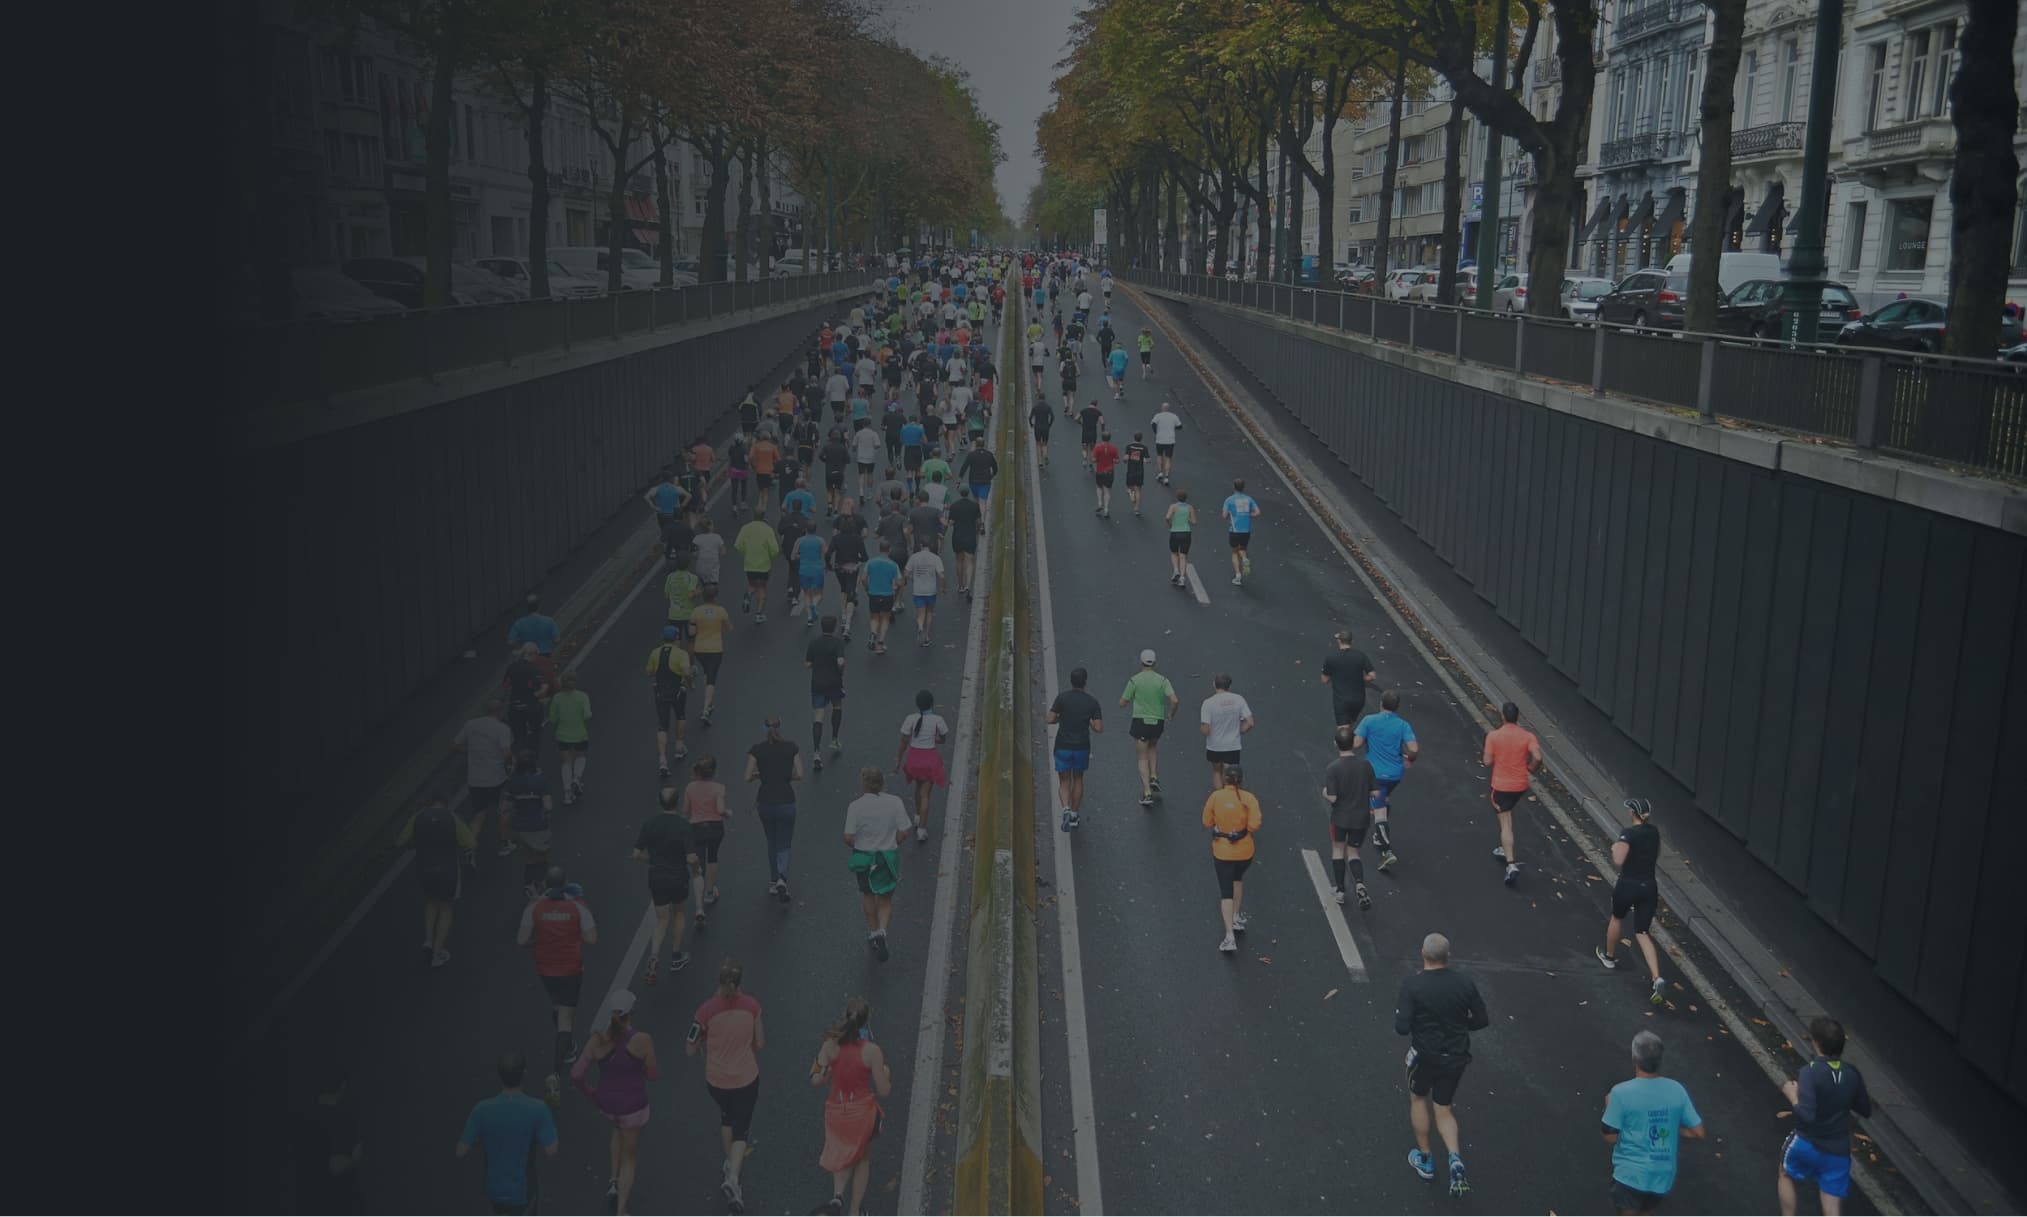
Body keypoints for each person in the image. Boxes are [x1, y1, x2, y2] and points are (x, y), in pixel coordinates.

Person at [1396, 932, 1488, 1196]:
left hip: (1425, 1056)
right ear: (1448, 956)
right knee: (1444, 1108)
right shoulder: (1465, 983)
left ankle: (1425, 1161)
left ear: (1422, 953)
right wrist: (1459, 1026)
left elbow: (1401, 1027)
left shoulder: (1412, 986)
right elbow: (1481, 1020)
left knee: (1418, 1099)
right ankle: (1455, 1157)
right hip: (1456, 1056)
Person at [570, 992, 656, 1215]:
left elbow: (576, 1074)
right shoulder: (642, 1040)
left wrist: (591, 1092)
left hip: (608, 1105)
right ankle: (621, 1210)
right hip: (633, 1108)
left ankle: (612, 1181)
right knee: (629, 1158)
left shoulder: (598, 1039)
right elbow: (652, 1074)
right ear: (631, 1013)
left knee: (617, 1129)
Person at [1778, 1016, 1874, 1217]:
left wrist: (1792, 1096)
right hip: (1838, 1152)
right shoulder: (1852, 1074)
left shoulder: (1809, 1073)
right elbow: (1865, 1109)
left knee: (1785, 1173)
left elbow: (1807, 1116)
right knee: (1831, 1208)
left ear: (1817, 1043)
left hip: (1807, 1144)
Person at [517, 866, 598, 1102]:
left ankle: (569, 1046)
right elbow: (592, 938)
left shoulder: (534, 907)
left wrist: (538, 938)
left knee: (556, 1006)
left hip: (546, 969)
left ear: (545, 883)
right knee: (566, 1019)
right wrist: (573, 935)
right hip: (571, 969)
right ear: (566, 883)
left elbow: (522, 940)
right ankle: (556, 1072)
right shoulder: (577, 906)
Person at [1603, 1030, 1706, 1215]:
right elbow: (1698, 1132)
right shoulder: (1677, 1090)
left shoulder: (1619, 1093)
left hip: (1630, 1175)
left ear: (1635, 1058)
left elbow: (1610, 1137)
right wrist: (1672, 1126)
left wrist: (1609, 1107)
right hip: (1662, 1176)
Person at [691, 959, 765, 1213]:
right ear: (740, 982)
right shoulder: (753, 1007)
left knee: (727, 1118)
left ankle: (728, 1164)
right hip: (745, 1079)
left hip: (716, 1081)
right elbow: (760, 1043)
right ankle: (734, 1179)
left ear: (718, 982)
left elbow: (690, 1048)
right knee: (741, 1130)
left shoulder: (705, 1011)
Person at [812, 998, 893, 1216]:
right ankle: (855, 1211)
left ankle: (837, 1196)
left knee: (843, 1152)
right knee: (862, 1157)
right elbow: (884, 1090)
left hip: (836, 1113)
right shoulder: (872, 1051)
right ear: (866, 1023)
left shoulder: (829, 1046)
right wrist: (885, 1073)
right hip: (862, 1115)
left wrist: (827, 1073)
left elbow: (815, 1078)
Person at [457, 1051, 559, 1216]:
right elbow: (551, 1150)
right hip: (523, 1192)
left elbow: (461, 1151)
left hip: (493, 1191)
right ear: (524, 1073)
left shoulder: (481, 1109)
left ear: (499, 1076)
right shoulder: (539, 1109)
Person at [1599, 797, 1669, 1006]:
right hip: (1648, 887)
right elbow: (1654, 855)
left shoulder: (1628, 834)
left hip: (1628, 885)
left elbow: (1618, 860)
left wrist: (1615, 848)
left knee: (1617, 917)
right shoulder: (1654, 832)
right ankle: (1657, 978)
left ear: (1632, 813)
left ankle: (1609, 957)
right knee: (1642, 932)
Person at [844, 766, 914, 961]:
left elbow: (848, 837)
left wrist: (859, 844)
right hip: (887, 856)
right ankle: (882, 931)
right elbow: (904, 831)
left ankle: (873, 931)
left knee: (867, 893)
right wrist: (894, 843)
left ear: (864, 784)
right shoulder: (895, 802)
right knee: (885, 898)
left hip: (865, 857)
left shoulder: (855, 806)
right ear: (882, 782)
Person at [632, 785, 699, 983]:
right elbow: (691, 858)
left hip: (657, 877)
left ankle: (654, 956)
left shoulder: (649, 824)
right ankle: (676, 957)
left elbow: (636, 854)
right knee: (679, 913)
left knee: (661, 919)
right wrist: (696, 871)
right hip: (678, 877)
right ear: (677, 803)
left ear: (660, 803)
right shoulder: (683, 825)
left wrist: (651, 860)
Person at [399, 794, 473, 967]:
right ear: (445, 805)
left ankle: (428, 940)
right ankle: (437, 953)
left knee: (431, 901)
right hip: (448, 871)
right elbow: (471, 842)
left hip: (425, 870)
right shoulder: (451, 817)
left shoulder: (417, 818)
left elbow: (401, 841)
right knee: (446, 906)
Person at [1354, 690, 1419, 872]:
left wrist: (1342, 743)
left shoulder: (1369, 720)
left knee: (1378, 811)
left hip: (1375, 774)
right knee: (1384, 800)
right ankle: (1379, 835)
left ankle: (1386, 851)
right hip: (1395, 774)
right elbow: (1413, 749)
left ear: (1381, 703)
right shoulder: (1403, 725)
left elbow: (1357, 743)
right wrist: (1409, 759)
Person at [1202, 765, 1263, 953]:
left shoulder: (1216, 797)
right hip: (1245, 851)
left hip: (1223, 852)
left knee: (1226, 892)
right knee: (1238, 880)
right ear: (1241, 780)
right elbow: (1254, 824)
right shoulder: (1249, 799)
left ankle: (1229, 936)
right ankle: (1236, 917)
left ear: (1225, 779)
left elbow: (1206, 822)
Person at [1483, 700, 1545, 885]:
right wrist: (1532, 768)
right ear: (1518, 717)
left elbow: (1486, 762)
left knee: (1505, 823)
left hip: (1501, 786)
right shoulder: (1527, 736)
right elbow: (1538, 757)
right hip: (1520, 786)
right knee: (1508, 814)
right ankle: (1504, 847)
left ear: (1502, 716)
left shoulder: (1494, 736)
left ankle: (1510, 863)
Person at [1322, 725, 1381, 909]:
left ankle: (1340, 891)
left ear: (1335, 744)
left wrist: (1324, 792)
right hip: (1361, 818)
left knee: (1338, 850)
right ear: (1354, 744)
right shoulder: (1366, 765)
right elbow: (1375, 793)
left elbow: (1332, 797)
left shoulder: (1333, 768)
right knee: (1354, 852)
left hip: (1340, 818)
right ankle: (1359, 882)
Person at [747, 717, 805, 902]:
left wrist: (760, 774)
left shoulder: (756, 749)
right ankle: (782, 877)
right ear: (780, 728)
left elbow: (747, 776)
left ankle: (773, 881)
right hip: (786, 800)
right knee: (784, 843)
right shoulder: (791, 747)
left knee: (771, 841)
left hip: (765, 802)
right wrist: (785, 775)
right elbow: (800, 774)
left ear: (764, 729)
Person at [453, 699, 515, 861]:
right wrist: (510, 764)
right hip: (497, 779)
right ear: (501, 712)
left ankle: (470, 847)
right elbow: (506, 753)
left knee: (479, 815)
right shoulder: (502, 729)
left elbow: (455, 746)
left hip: (475, 780)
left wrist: (471, 753)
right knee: (503, 810)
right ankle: (503, 844)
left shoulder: (470, 725)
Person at [301, 1065, 364, 1213]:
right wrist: (352, 1160)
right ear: (343, 1086)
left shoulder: (307, 1116)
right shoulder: (337, 1121)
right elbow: (332, 1165)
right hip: (333, 1199)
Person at [1120, 649, 1180, 806]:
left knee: (1141, 757)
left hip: (1140, 721)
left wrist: (1130, 700)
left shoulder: (1135, 680)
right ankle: (1154, 776)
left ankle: (1147, 793)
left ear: (1141, 662)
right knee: (1153, 746)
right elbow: (1174, 700)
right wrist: (1171, 714)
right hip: (1157, 721)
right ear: (1155, 663)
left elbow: (1122, 702)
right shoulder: (1162, 680)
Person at [1048, 667, 1105, 832]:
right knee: (1078, 779)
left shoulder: (1062, 698)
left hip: (1062, 746)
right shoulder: (1092, 702)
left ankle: (1065, 809)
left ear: (1071, 681)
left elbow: (1050, 718)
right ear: (1085, 682)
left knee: (1064, 781)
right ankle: (1073, 814)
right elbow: (1099, 728)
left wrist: (1061, 718)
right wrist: (1089, 722)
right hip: (1081, 747)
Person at [894, 689, 950, 843]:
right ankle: (922, 830)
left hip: (913, 759)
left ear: (917, 704)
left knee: (917, 788)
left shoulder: (910, 719)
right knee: (925, 794)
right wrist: (934, 739)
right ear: (932, 704)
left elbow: (904, 741)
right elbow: (942, 739)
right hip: (929, 760)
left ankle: (917, 816)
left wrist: (899, 759)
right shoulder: (938, 720)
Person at [682, 756, 732, 927]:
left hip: (696, 828)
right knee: (713, 857)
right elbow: (720, 809)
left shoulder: (690, 787)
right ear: (714, 772)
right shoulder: (719, 788)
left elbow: (685, 810)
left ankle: (699, 909)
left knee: (698, 868)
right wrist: (727, 813)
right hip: (715, 828)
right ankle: (710, 892)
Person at [503, 750, 555, 894]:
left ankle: (529, 886)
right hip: (538, 826)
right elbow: (548, 806)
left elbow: (505, 806)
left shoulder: (512, 782)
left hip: (520, 827)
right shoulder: (541, 781)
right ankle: (543, 886)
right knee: (543, 857)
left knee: (528, 858)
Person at [645, 625, 693, 777]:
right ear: (677, 638)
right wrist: (690, 683)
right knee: (680, 715)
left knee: (662, 725)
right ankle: (679, 745)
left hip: (660, 692)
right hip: (677, 691)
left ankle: (662, 760)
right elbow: (686, 672)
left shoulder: (655, 653)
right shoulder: (681, 654)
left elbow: (649, 672)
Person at [1198, 673, 1256, 791]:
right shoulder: (1239, 699)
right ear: (1229, 686)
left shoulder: (1208, 703)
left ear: (1214, 685)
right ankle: (1232, 798)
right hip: (1233, 745)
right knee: (1231, 773)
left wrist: (1203, 730)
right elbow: (1250, 722)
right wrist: (1240, 730)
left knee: (1217, 770)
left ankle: (1220, 798)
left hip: (1215, 746)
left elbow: (1205, 729)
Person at [807, 615, 848, 766]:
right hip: (834, 682)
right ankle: (834, 739)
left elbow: (807, 663)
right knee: (837, 706)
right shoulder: (837, 643)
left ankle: (817, 753)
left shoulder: (814, 643)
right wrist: (841, 670)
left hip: (817, 683)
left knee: (818, 716)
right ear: (835, 627)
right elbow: (841, 661)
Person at [689, 583, 732, 727]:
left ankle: (710, 703)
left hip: (699, 649)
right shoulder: (721, 611)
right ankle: (706, 709)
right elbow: (729, 628)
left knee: (707, 673)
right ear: (715, 596)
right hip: (715, 649)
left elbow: (691, 633)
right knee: (712, 679)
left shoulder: (696, 611)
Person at [546, 670, 591, 804]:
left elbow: (552, 718)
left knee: (566, 762)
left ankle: (567, 794)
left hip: (562, 735)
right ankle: (576, 779)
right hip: (580, 733)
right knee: (581, 757)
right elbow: (588, 715)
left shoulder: (557, 698)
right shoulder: (582, 696)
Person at [733, 507, 781, 622]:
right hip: (764, 565)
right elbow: (775, 549)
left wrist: (746, 553)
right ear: (764, 517)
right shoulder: (767, 529)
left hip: (749, 564)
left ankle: (748, 595)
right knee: (762, 587)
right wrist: (771, 558)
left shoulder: (745, 528)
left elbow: (738, 545)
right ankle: (758, 614)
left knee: (752, 583)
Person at [861, 539, 903, 654]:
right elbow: (900, 582)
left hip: (873, 594)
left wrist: (867, 588)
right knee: (885, 618)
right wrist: (896, 588)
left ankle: (873, 632)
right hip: (887, 595)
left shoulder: (870, 562)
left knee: (874, 617)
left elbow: (863, 578)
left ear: (879, 549)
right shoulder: (893, 565)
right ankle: (880, 643)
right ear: (889, 550)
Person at [904, 538, 946, 646]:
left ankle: (920, 627)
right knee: (929, 612)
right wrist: (943, 587)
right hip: (931, 590)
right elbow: (941, 576)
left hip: (918, 590)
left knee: (920, 612)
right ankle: (926, 635)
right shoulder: (935, 558)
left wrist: (913, 578)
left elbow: (906, 573)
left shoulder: (914, 557)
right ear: (930, 546)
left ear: (921, 545)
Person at [1222, 478, 1262, 586]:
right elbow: (1258, 512)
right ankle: (1244, 559)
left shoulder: (1229, 500)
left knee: (1234, 551)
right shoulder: (1249, 499)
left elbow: (1224, 516)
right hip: (1246, 530)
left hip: (1234, 530)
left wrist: (1230, 514)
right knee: (1243, 548)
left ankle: (1238, 575)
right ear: (1243, 487)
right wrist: (1249, 515)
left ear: (1234, 487)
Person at [946, 485, 983, 596]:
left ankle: (960, 585)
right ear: (968, 493)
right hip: (970, 536)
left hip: (957, 536)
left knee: (959, 561)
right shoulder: (975, 506)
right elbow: (978, 522)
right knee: (970, 561)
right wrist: (977, 531)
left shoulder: (954, 506)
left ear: (960, 493)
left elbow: (951, 522)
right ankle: (968, 586)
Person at [1163, 489, 1197, 587]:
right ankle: (1182, 578)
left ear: (1177, 498)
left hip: (1175, 532)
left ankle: (1176, 570)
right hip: (1186, 533)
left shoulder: (1173, 506)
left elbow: (1167, 517)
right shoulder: (1190, 508)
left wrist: (1170, 525)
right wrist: (1188, 518)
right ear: (1186, 498)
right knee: (1183, 555)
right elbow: (1194, 522)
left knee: (1174, 553)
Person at [1149, 402, 1182, 485]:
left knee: (1159, 455)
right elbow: (1180, 426)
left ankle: (1160, 472)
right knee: (1168, 458)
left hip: (1160, 439)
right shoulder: (1174, 416)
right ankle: (1166, 477)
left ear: (1162, 408)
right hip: (1170, 440)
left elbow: (1153, 424)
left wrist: (1156, 432)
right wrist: (1173, 427)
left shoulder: (1158, 416)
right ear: (1168, 408)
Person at [1091, 430, 1120, 518]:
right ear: (1109, 438)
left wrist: (1098, 460)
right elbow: (1117, 460)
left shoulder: (1097, 447)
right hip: (1109, 472)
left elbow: (1093, 460)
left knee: (1099, 487)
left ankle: (1100, 503)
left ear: (1102, 438)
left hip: (1099, 471)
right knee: (1107, 491)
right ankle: (1106, 508)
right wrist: (1112, 460)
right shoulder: (1113, 448)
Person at [1122, 432, 1151, 515]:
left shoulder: (1129, 446)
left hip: (1131, 470)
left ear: (1134, 437)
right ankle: (1136, 508)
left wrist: (1125, 460)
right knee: (1138, 489)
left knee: (1129, 487)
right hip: (1140, 471)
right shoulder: (1144, 448)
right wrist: (1143, 460)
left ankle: (1132, 497)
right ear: (1141, 438)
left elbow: (1125, 459)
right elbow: (1148, 460)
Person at [1077, 399, 1105, 469]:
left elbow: (1076, 418)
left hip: (1085, 431)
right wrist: (1102, 430)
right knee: (1092, 449)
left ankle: (1084, 458)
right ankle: (1091, 464)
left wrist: (1080, 423)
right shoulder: (1098, 412)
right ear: (1096, 405)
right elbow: (1102, 422)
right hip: (1093, 432)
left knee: (1084, 447)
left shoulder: (1083, 411)